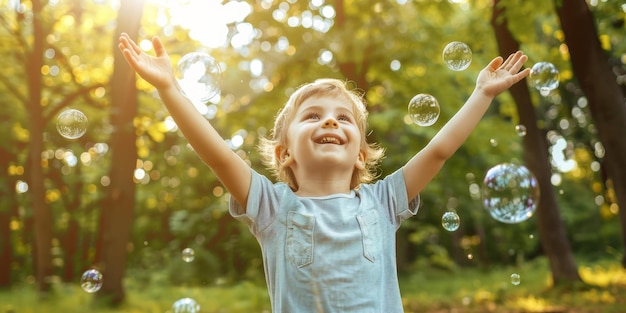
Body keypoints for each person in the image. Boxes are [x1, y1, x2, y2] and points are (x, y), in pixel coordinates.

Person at [118, 32, 530, 312]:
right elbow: (219, 157)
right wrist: (169, 88)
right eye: (313, 116)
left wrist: (480, 94)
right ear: (284, 154)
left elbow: (439, 151)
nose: (330, 122)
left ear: (361, 157)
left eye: (343, 118)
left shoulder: (383, 201)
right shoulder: (271, 206)